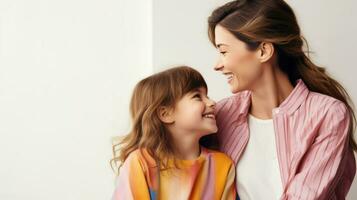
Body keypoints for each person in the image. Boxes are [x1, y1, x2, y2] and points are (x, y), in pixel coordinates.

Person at [207, 0, 356, 199]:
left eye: (224, 51)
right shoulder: (221, 114)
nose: (217, 65)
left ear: (263, 51)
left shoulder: (327, 114)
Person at [111, 66, 237, 200]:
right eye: (197, 96)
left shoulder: (222, 165)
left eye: (207, 95)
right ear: (166, 114)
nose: (212, 102)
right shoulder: (141, 162)